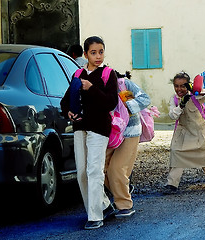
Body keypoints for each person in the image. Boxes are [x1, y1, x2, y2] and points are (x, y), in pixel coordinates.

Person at [60, 36, 118, 230]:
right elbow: (65, 101)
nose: (98, 56)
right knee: (82, 173)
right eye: (93, 52)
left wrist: (92, 88)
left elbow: (111, 103)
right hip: (79, 128)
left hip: (100, 128)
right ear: (85, 54)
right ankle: (104, 205)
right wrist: (68, 110)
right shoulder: (77, 74)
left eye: (101, 52)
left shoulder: (109, 74)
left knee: (94, 170)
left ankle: (95, 216)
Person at [164, 72, 205, 193]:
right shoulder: (174, 99)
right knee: (176, 154)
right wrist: (181, 105)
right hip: (183, 132)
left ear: (188, 85)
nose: (179, 89)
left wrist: (196, 90)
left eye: (183, 86)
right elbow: (172, 115)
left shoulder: (196, 96)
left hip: (199, 131)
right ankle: (172, 183)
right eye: (176, 86)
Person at [104, 70, 150, 217]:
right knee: (101, 168)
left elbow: (145, 99)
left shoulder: (124, 84)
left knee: (117, 169)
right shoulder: (98, 86)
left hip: (130, 131)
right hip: (110, 134)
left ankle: (124, 205)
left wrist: (124, 107)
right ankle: (124, 188)